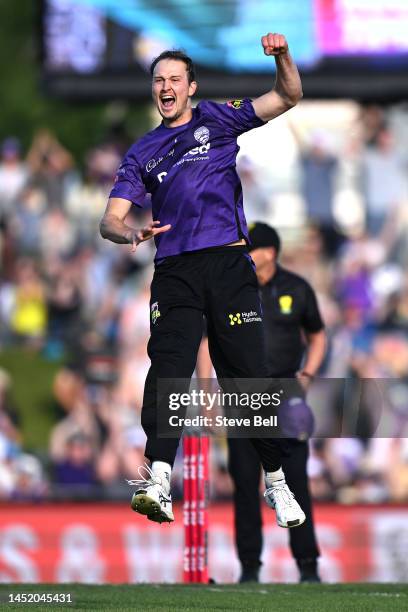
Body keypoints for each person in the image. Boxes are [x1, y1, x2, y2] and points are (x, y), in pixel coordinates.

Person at [100, 33, 305, 527]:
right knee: (169, 366)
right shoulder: (143, 150)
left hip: (229, 265)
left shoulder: (218, 117)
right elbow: (109, 220)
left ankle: (276, 483)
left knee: (247, 377)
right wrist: (130, 232)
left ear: (191, 87)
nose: (166, 87)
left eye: (174, 79)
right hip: (175, 271)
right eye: (158, 81)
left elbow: (288, 96)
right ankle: (160, 478)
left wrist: (282, 57)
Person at [228, 223, 326, 583]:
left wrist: (308, 375)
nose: (244, 256)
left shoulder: (297, 289)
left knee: (295, 481)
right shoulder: (232, 289)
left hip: (287, 396)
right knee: (244, 481)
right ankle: (250, 567)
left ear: (268, 253)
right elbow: (210, 341)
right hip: (242, 394)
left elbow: (317, 335)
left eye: (250, 250)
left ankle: (307, 566)